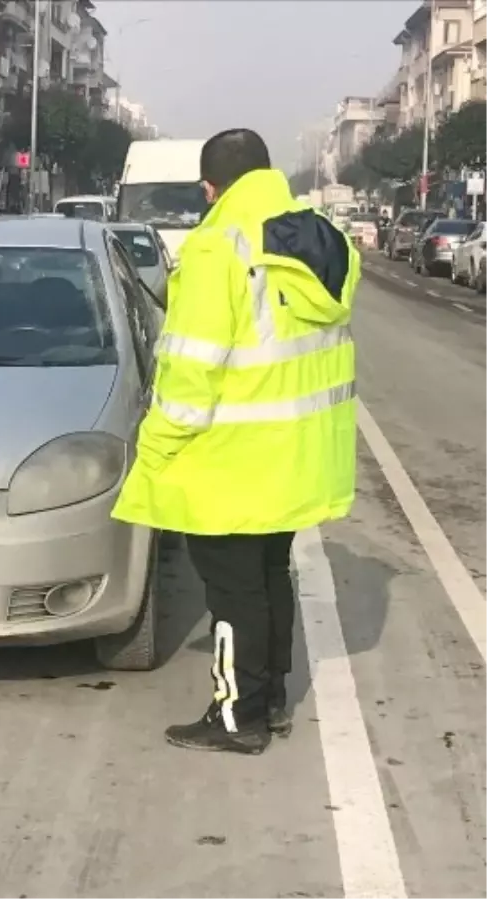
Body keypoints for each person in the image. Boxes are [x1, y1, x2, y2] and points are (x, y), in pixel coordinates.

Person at [112, 129, 359, 755]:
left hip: (227, 461)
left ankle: (235, 717)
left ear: (209, 188)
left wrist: (157, 448)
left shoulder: (216, 248)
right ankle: (270, 699)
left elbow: (192, 372)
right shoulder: (323, 239)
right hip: (297, 458)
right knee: (269, 577)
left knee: (231, 594)